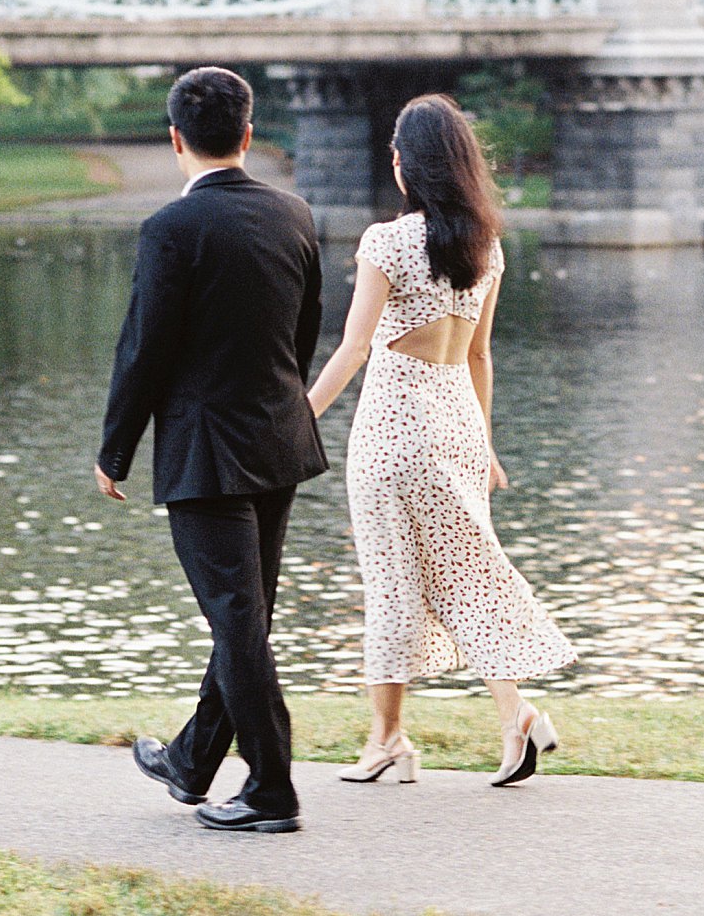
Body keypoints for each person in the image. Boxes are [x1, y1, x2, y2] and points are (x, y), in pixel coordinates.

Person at [306, 94, 575, 788]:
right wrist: (482, 443)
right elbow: (480, 355)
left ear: (406, 165)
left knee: (393, 582)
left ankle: (387, 739)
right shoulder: (486, 246)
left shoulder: (386, 241)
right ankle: (516, 713)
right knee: (470, 577)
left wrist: (300, 413)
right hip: (456, 420)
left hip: (396, 429)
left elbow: (356, 346)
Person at [97, 66, 327, 833]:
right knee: (245, 617)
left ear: (174, 140)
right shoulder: (294, 213)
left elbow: (145, 350)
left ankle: (271, 789)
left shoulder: (172, 228)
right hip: (279, 441)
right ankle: (194, 760)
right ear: (248, 134)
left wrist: (115, 449)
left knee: (236, 619)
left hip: (206, 452)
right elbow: (302, 335)